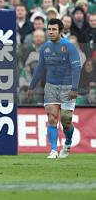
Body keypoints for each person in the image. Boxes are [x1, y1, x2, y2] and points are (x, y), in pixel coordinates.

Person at [29, 18, 82, 159]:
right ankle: (53, 150)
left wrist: (74, 88)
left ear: (60, 31)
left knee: (66, 120)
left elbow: (77, 68)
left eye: (53, 29)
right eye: (49, 29)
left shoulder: (69, 47)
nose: (50, 32)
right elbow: (40, 67)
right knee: (52, 118)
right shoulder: (45, 47)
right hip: (51, 86)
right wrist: (32, 86)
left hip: (67, 87)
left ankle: (68, 142)